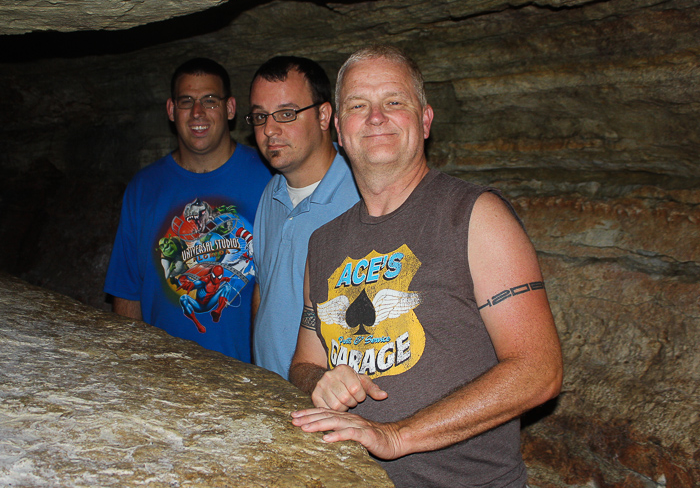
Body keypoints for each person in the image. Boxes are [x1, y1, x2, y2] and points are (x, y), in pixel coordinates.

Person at [289, 45, 563, 487]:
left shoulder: (476, 216)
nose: (376, 117)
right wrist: (320, 381)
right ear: (339, 130)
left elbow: (539, 370)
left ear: (426, 119)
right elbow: (303, 363)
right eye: (359, 106)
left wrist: (398, 436)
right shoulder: (323, 243)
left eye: (394, 101)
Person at [104, 58, 272, 361]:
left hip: (252, 378)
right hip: (164, 375)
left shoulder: (269, 178)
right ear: (171, 110)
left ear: (230, 108)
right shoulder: (144, 188)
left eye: (210, 100)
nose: (198, 112)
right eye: (187, 101)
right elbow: (127, 294)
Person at [248, 56, 360, 379]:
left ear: (324, 115)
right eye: (259, 117)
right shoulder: (271, 194)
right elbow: (263, 287)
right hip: (269, 397)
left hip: (330, 402)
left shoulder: (361, 196)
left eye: (286, 113)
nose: (269, 129)